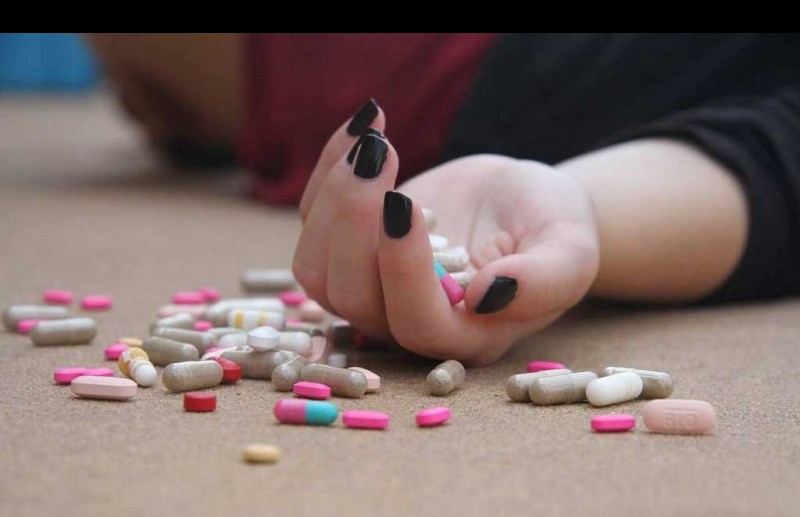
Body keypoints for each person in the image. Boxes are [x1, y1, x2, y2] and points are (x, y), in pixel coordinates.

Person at [85, 33, 800, 365]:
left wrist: (575, 207)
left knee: (161, 81)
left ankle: (172, 110)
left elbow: (775, 157)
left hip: (441, 76)